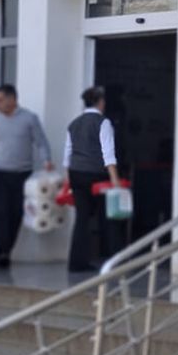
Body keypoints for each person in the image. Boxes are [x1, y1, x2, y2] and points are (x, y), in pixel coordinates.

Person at [0, 84, 53, 267]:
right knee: (0, 212)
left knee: (16, 213)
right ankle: (1, 252)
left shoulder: (29, 118)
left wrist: (46, 160)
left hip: (22, 174)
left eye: (0, 100)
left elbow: (41, 142)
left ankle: (8, 248)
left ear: (12, 99)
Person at [64, 86, 121, 273]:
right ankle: (113, 260)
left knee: (82, 218)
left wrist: (68, 181)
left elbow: (67, 155)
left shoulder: (73, 124)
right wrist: (115, 180)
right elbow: (108, 153)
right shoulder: (103, 122)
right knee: (108, 217)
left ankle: (76, 262)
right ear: (101, 102)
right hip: (97, 175)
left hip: (76, 174)